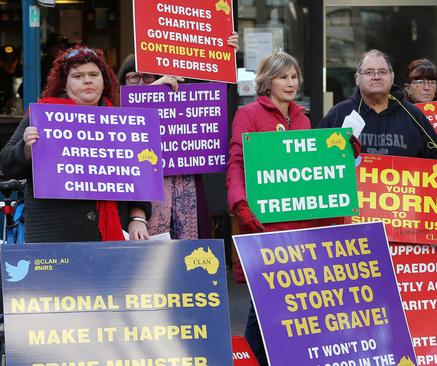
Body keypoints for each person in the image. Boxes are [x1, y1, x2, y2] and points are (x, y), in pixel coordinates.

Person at [227, 51, 350, 366]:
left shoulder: (304, 118)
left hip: (300, 227)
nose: (290, 83)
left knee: (290, 306)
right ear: (268, 81)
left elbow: (310, 170)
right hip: (264, 225)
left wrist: (343, 154)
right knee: (264, 303)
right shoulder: (249, 114)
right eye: (283, 77)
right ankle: (250, 360)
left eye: (294, 77)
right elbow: (237, 164)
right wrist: (241, 205)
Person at [0, 46, 151, 242]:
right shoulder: (43, 115)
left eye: (93, 74)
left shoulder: (123, 120)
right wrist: (26, 148)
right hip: (55, 237)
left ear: (103, 80)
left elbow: (140, 177)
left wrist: (138, 218)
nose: (87, 80)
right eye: (78, 76)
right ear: (65, 83)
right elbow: (6, 164)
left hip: (110, 239)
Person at [116, 33, 239, 239]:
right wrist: (152, 90)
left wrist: (225, 55)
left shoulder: (175, 100)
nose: (140, 83)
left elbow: (210, 100)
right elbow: (128, 115)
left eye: (147, 77)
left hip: (184, 185)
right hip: (142, 199)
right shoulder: (114, 109)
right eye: (132, 78)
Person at [319, 49, 437, 160]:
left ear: (392, 77)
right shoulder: (338, 114)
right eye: (369, 72)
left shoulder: (414, 116)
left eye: (382, 72)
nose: (376, 76)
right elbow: (318, 159)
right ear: (357, 78)